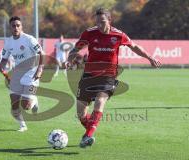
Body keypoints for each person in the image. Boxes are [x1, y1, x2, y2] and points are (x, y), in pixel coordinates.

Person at [67, 8, 161, 148]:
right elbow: (76, 49)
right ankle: (89, 130)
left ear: (110, 21)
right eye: (97, 21)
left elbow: (134, 47)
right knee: (81, 114)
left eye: (102, 21)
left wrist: (149, 57)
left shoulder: (118, 35)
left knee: (100, 101)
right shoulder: (89, 33)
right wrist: (70, 60)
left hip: (108, 75)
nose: (99, 24)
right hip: (89, 75)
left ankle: (88, 136)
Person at [0, 16, 45, 132]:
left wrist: (40, 69)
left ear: (21, 26)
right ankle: (22, 125)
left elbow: (42, 54)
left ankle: (34, 101)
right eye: (13, 26)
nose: (16, 28)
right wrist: (2, 66)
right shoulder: (8, 42)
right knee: (14, 103)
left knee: (26, 106)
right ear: (10, 27)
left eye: (18, 25)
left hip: (32, 73)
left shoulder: (29, 39)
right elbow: (4, 58)